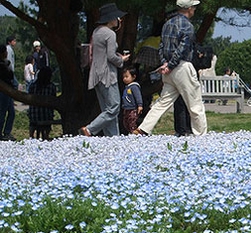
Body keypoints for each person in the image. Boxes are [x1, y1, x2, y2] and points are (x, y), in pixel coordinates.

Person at [133, 0, 207, 136]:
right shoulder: (188, 26)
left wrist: (165, 63)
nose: (195, 10)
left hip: (167, 69)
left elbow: (161, 46)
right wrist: (171, 64)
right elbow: (183, 49)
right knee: (195, 103)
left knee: (162, 102)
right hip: (182, 67)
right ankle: (201, 134)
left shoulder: (168, 23)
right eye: (194, 7)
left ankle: (143, 128)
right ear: (189, 8)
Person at [79, 3, 131, 137]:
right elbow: (111, 56)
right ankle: (90, 129)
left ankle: (112, 138)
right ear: (111, 18)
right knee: (114, 107)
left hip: (95, 75)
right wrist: (122, 60)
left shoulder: (96, 32)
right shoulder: (110, 33)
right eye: (117, 17)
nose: (118, 19)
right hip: (107, 75)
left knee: (106, 110)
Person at [27, 66, 57, 140]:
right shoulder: (51, 87)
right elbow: (54, 101)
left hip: (34, 115)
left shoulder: (33, 86)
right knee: (48, 113)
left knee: (33, 116)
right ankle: (46, 136)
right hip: (46, 116)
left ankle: (31, 136)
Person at [121, 67, 143, 134]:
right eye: (123, 77)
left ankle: (135, 134)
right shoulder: (127, 87)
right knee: (126, 122)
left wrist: (140, 105)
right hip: (126, 108)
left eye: (127, 76)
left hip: (133, 108)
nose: (124, 79)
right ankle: (131, 133)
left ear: (134, 77)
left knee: (132, 122)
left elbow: (138, 96)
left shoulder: (134, 87)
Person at [0, 44, 15, 141]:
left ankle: (7, 132)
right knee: (2, 112)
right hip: (3, 91)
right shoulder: (2, 65)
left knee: (11, 112)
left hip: (8, 91)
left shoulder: (6, 63)